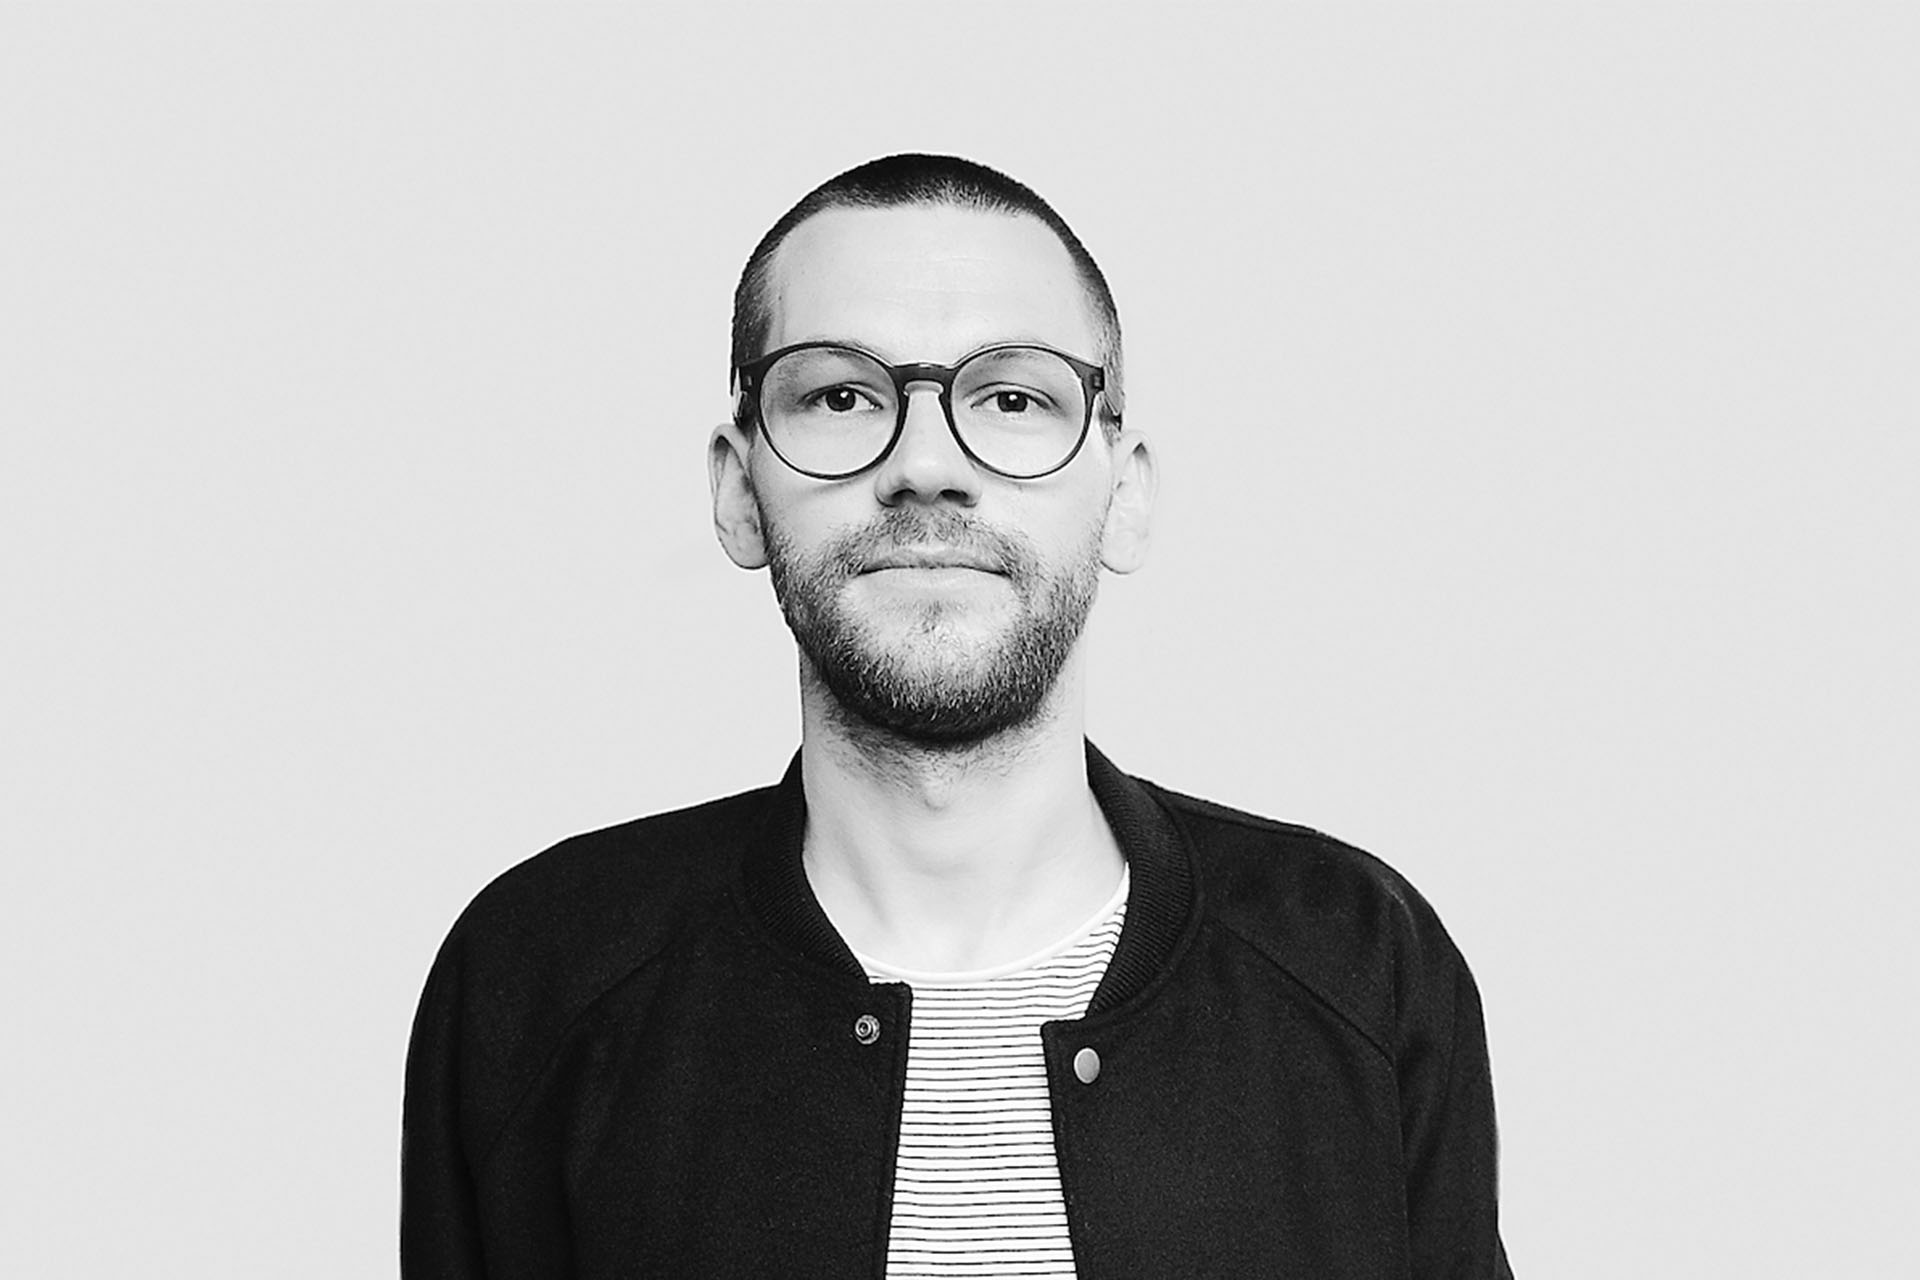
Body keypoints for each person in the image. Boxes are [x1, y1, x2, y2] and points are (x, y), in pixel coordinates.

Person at [402, 153, 1513, 1279]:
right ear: (739, 492)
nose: (926, 465)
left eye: (1013, 398)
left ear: (1124, 494)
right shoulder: (537, 977)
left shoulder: (1360, 963)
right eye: (840, 397)